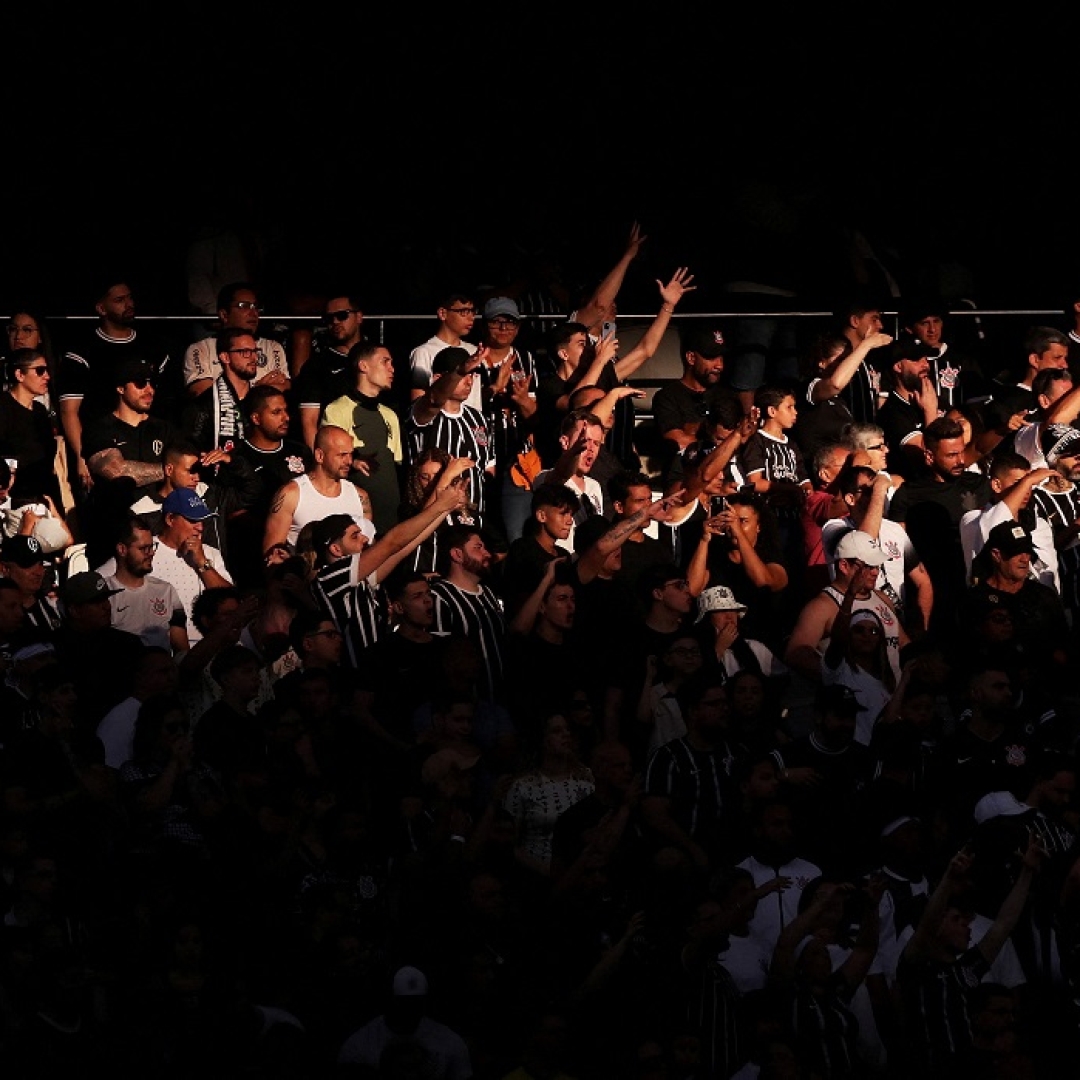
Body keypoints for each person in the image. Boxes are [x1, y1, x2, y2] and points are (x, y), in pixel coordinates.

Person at [895, 838, 1046, 1077]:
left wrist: (1027, 872)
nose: (967, 925)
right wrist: (949, 878)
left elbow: (1003, 925)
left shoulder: (965, 970)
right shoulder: (916, 966)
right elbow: (926, 926)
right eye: (956, 919)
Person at [57, 275, 178, 497]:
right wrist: (81, 458)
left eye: (130, 298)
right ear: (101, 308)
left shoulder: (153, 347)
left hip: (151, 443)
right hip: (101, 444)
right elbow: (69, 411)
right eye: (120, 300)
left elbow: (166, 401)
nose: (129, 304)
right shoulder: (83, 352)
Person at [887, 415, 992, 638]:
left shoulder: (979, 485)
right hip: (934, 595)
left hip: (977, 593)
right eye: (952, 455)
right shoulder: (908, 495)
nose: (961, 460)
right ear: (929, 455)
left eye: (962, 452)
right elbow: (897, 547)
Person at [98, 488, 232, 645]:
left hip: (209, 646)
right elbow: (99, 581)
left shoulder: (211, 554)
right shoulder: (145, 550)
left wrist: (202, 563)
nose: (200, 528)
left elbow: (230, 602)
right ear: (170, 519)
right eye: (193, 520)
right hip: (160, 649)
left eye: (202, 521)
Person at [785, 529, 909, 687]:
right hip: (856, 706)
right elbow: (796, 654)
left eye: (878, 566)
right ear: (844, 566)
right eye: (869, 566)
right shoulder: (823, 606)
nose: (875, 572)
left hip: (893, 699)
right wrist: (846, 679)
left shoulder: (883, 598)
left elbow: (903, 643)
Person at [822, 464, 935, 635]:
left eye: (876, 490)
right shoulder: (834, 528)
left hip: (896, 627)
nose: (877, 495)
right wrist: (880, 487)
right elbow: (863, 544)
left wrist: (921, 628)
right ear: (850, 499)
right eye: (868, 491)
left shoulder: (894, 529)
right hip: (857, 629)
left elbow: (923, 581)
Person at [474, 295, 541, 544]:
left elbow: (534, 414)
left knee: (515, 532)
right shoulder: (470, 357)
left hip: (516, 456)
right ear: (484, 325)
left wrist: (521, 398)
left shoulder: (526, 359)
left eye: (510, 322)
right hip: (479, 454)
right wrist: (493, 387)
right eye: (496, 322)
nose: (503, 328)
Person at [320, 340, 403, 535]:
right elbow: (327, 464)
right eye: (385, 361)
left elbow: (396, 465)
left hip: (392, 521)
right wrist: (354, 462)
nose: (392, 368)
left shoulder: (390, 415)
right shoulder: (337, 409)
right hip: (356, 524)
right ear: (363, 366)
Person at [404, 347, 495, 524]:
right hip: (432, 520)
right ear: (438, 378)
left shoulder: (478, 418)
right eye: (464, 376)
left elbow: (488, 469)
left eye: (472, 375)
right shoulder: (423, 413)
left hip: (475, 519)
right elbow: (433, 400)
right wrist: (459, 371)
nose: (469, 381)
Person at [502, 710, 595, 878]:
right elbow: (510, 842)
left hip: (580, 875)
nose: (566, 735)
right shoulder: (523, 787)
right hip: (535, 875)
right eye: (557, 731)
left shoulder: (585, 781)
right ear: (543, 739)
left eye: (567, 730)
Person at [336, 965, 473, 1077]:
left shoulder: (450, 1043)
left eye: (416, 1003)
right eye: (404, 1003)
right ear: (389, 1001)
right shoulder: (358, 1047)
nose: (410, 1010)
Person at [262, 424, 370, 553]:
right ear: (320, 456)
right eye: (342, 455)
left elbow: (367, 553)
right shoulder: (291, 495)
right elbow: (271, 555)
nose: (349, 461)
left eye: (350, 454)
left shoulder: (360, 497)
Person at [429, 524, 506, 704]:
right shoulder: (440, 597)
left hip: (501, 702)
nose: (487, 554)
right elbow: (441, 658)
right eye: (478, 548)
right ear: (457, 554)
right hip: (467, 709)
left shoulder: (487, 593)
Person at [181, 281, 290, 400]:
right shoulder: (201, 349)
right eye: (243, 306)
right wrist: (258, 390)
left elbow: (284, 387)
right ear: (224, 315)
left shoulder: (272, 347)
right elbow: (203, 393)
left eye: (255, 306)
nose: (253, 313)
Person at [102, 514, 189, 654]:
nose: (151, 553)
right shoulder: (104, 594)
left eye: (152, 547)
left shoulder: (166, 591)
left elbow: (181, 649)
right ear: (122, 549)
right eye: (144, 548)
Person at [293, 292, 366, 449]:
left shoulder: (378, 357)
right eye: (329, 319)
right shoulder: (316, 366)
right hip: (335, 456)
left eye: (342, 315)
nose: (335, 322)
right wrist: (319, 462)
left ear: (359, 317)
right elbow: (309, 421)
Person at [184, 327, 265, 453]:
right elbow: (190, 451)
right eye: (245, 352)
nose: (254, 357)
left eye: (255, 351)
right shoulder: (203, 406)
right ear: (225, 357)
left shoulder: (262, 401)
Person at [0, 349, 63, 508]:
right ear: (19, 374)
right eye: (40, 371)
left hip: (43, 495)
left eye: (47, 370)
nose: (47, 376)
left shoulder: (40, 411)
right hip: (12, 499)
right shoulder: (3, 408)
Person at [874, 333, 942, 478]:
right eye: (917, 359)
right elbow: (928, 458)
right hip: (917, 490)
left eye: (926, 358)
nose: (926, 365)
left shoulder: (933, 399)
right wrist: (930, 411)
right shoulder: (892, 412)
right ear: (898, 366)